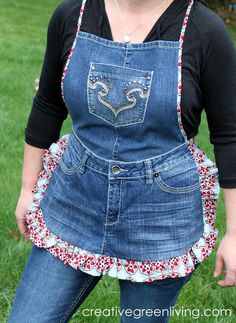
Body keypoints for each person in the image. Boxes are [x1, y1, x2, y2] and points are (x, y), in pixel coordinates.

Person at [8, 0, 236, 322]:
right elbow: (48, 104)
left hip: (160, 218)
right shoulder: (72, 15)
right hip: (74, 202)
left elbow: (230, 135)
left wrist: (235, 234)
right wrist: (27, 189)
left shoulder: (205, 32)